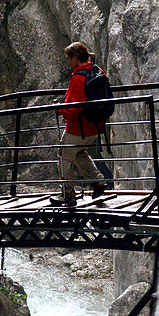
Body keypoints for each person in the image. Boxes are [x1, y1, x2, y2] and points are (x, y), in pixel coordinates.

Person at [51, 42, 108, 207]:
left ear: (75, 58)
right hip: (95, 127)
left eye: (69, 58)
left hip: (78, 129)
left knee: (64, 157)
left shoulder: (78, 77)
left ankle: (68, 195)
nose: (69, 62)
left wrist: (59, 109)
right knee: (79, 153)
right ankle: (98, 181)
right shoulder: (98, 71)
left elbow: (73, 107)